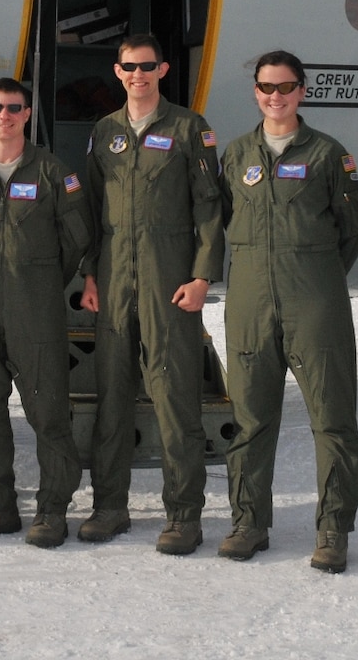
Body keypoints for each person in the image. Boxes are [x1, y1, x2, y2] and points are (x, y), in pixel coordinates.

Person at [215, 50, 358, 571]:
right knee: (250, 419)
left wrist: (313, 275)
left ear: (302, 90)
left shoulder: (327, 154)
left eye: (285, 87)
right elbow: (221, 220)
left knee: (332, 418)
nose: (274, 97)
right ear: (255, 91)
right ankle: (249, 522)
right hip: (250, 301)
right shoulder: (236, 155)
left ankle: (332, 531)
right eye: (265, 87)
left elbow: (351, 231)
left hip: (314, 301)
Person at [77, 32, 224, 556]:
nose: (137, 75)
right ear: (117, 73)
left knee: (174, 398)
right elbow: (92, 210)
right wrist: (91, 274)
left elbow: (209, 206)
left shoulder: (189, 128)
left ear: (162, 70)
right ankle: (109, 506)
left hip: (169, 283)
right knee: (112, 398)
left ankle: (184, 515)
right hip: (115, 281)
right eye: (128, 68)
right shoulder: (105, 131)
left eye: (146, 67)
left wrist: (203, 274)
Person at [0, 77, 93, 548]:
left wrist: (40, 280)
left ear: (27, 114)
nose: (4, 116)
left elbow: (76, 239)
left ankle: (53, 509)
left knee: (47, 411)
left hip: (36, 310)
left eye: (14, 108)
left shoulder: (53, 173)